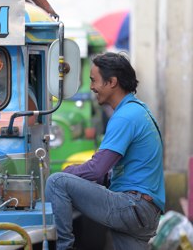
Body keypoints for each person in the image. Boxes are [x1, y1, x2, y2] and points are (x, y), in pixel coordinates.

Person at [45, 52, 165, 250]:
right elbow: (108, 174)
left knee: (57, 182)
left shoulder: (125, 117)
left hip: (133, 206)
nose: (92, 87)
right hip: (146, 211)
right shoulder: (139, 110)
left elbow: (97, 169)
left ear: (112, 82)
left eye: (94, 80)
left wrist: (68, 172)